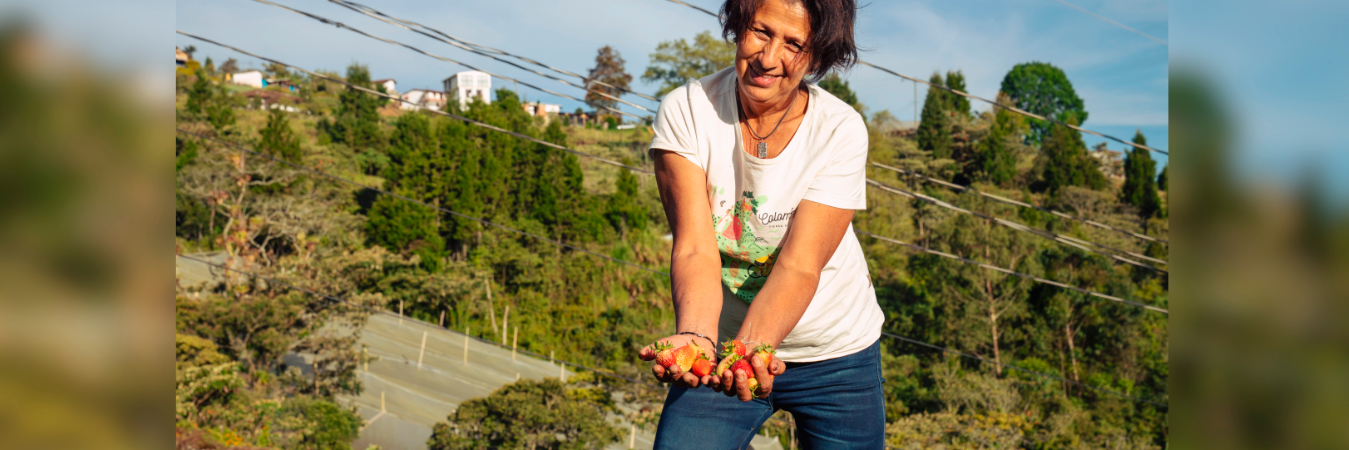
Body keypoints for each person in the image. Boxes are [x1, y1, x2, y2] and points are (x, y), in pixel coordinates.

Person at [639, 0, 884, 447]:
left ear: (818, 55)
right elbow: (695, 248)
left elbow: (800, 265)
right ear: (737, 26)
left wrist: (753, 348)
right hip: (721, 346)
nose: (770, 58)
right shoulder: (687, 111)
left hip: (836, 356)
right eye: (760, 31)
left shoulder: (840, 130)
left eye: (794, 44)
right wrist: (698, 338)